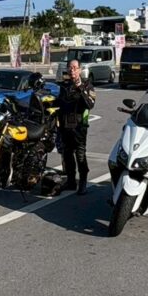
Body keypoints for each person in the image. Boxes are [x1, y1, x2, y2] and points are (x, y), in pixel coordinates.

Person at [49, 59, 96, 195]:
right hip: (65, 125)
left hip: (78, 126)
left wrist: (80, 87)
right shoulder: (65, 85)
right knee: (67, 154)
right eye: (70, 68)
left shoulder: (87, 85)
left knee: (80, 155)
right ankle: (71, 181)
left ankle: (83, 182)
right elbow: (59, 102)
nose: (72, 70)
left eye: (75, 68)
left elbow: (90, 104)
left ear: (80, 70)